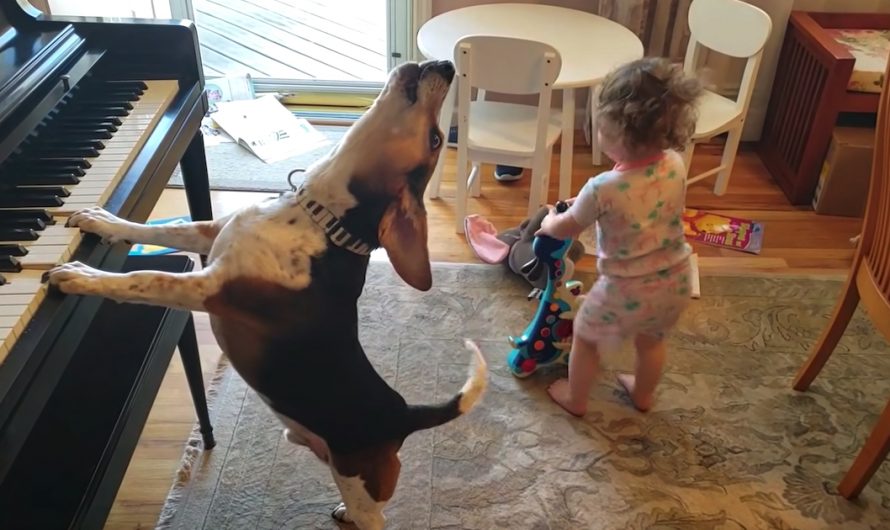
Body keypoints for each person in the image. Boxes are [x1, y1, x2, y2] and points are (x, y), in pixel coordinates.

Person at [535, 57, 701, 415]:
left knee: (585, 335)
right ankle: (642, 395)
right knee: (651, 342)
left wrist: (549, 221)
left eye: (601, 128)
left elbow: (568, 227)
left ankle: (575, 399)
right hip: (674, 280)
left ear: (617, 133)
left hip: (625, 288)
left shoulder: (601, 188)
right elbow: (639, 195)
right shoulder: (675, 162)